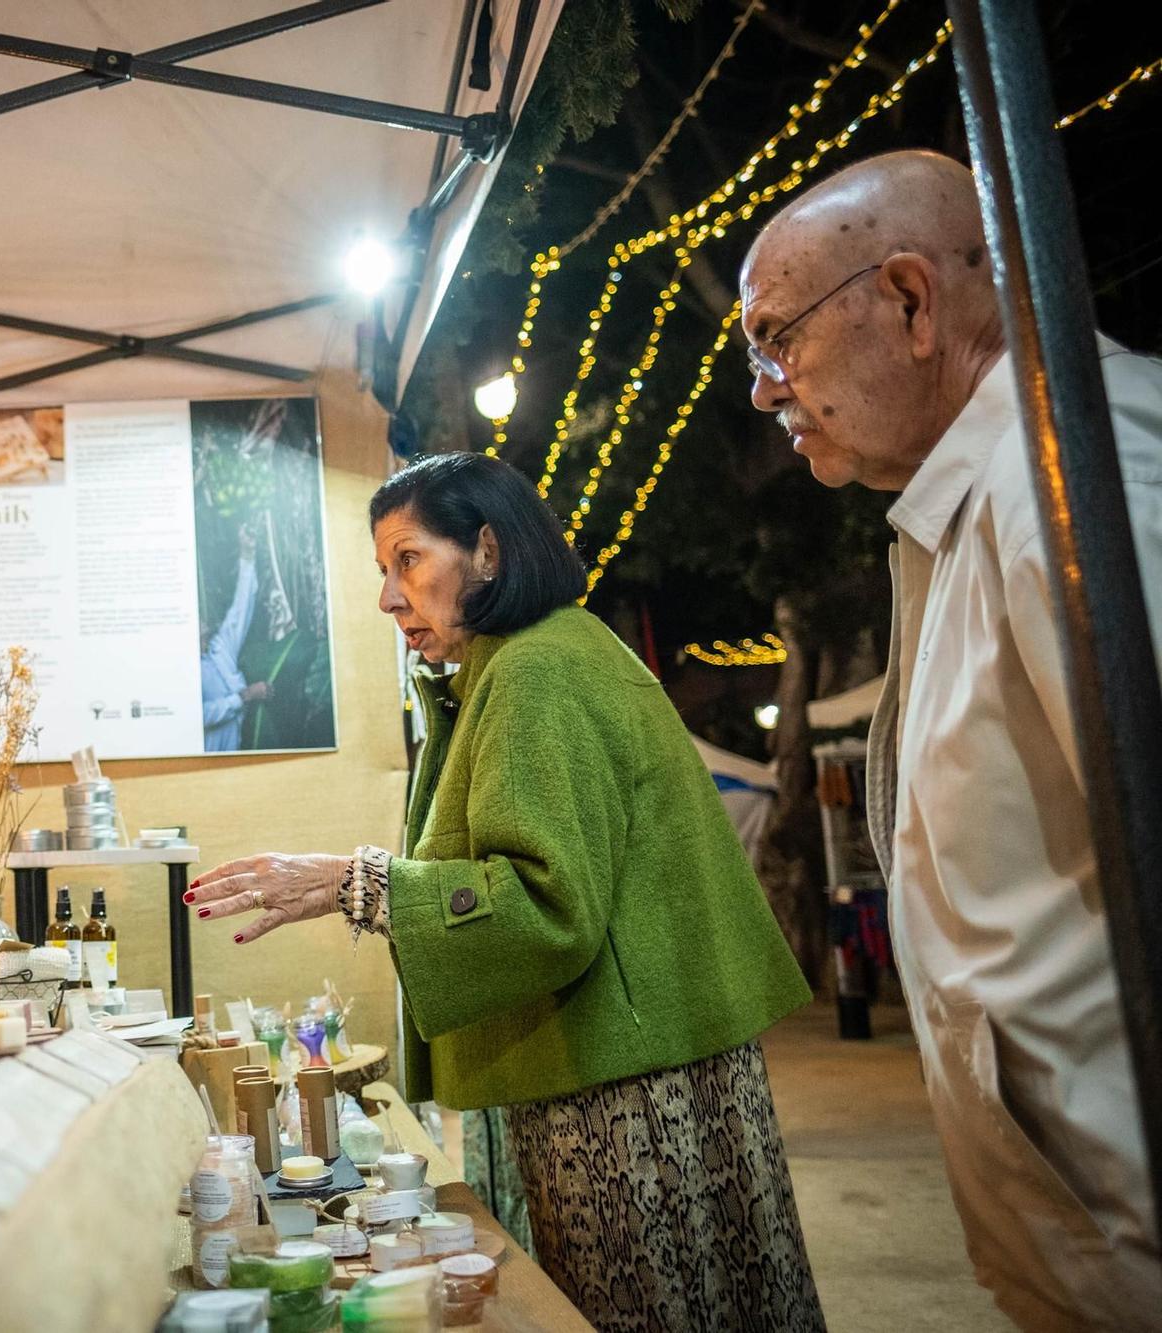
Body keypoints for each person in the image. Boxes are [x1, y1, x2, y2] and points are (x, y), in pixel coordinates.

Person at [187, 452, 822, 1332]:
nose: (388, 597)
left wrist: (351, 881)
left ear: (487, 550)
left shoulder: (535, 670)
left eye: (409, 559)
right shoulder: (539, 654)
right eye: (384, 569)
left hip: (624, 1095)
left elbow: (546, 904)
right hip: (646, 1061)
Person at [739, 149, 1162, 1329]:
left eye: (776, 339)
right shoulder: (988, 497)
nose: (765, 391)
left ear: (910, 302)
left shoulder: (1074, 478)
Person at [201, 522, 273, 751]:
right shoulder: (183, 667)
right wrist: (244, 696)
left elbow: (241, 608)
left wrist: (247, 554)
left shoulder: (218, 648)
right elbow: (197, 715)